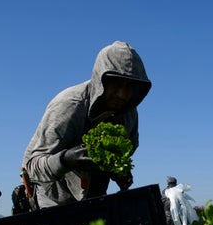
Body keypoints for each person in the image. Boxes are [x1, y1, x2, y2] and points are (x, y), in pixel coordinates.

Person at [21, 41, 152, 208]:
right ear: (101, 80)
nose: (121, 94)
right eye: (116, 84)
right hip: (55, 194)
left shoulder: (128, 113)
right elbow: (34, 167)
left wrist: (118, 170)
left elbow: (126, 150)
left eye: (129, 87)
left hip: (94, 191)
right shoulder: (70, 105)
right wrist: (66, 159)